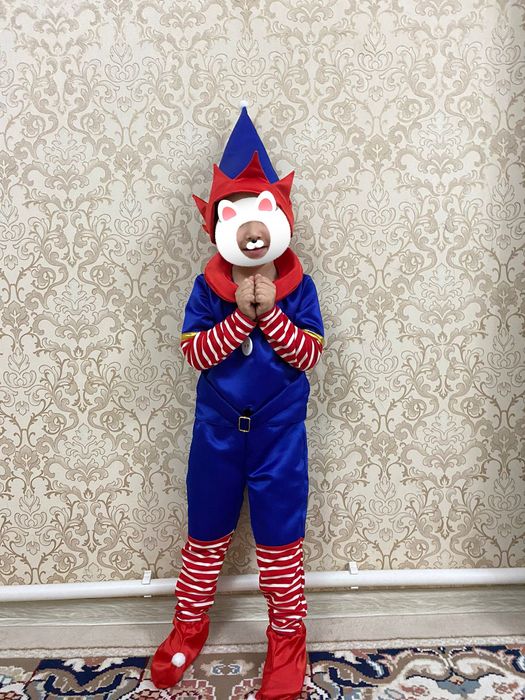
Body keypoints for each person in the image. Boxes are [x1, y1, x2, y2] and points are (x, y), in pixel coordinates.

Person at [150, 105, 324, 700]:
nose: (252, 230)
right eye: (238, 214)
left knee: (280, 546)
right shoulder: (207, 288)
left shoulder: (300, 288)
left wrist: (270, 315)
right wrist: (239, 319)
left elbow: (308, 354)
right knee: (204, 536)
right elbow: (195, 353)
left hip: (279, 438)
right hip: (217, 433)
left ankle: (287, 643)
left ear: (279, 216)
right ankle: (188, 626)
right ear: (222, 222)